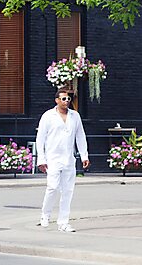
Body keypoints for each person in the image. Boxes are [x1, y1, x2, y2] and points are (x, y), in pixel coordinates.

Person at [35, 88, 89, 233]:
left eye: (68, 99)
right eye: (63, 99)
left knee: (68, 190)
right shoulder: (48, 116)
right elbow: (40, 138)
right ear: (57, 100)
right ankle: (45, 215)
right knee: (52, 187)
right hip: (53, 158)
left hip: (68, 158)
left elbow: (80, 136)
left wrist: (84, 155)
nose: (66, 102)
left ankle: (63, 222)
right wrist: (41, 158)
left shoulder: (75, 116)